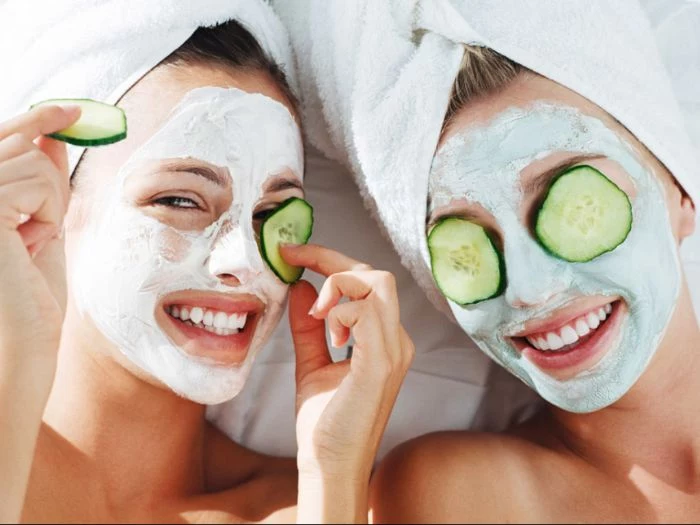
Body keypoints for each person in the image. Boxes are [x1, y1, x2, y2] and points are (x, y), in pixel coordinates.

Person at [266, 1, 700, 521]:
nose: (529, 291)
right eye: (469, 247)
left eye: (568, 203)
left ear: (679, 193)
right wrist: (331, 472)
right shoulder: (466, 495)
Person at [0, 7, 412, 523]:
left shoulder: (320, 502)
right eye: (179, 200)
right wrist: (17, 351)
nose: (243, 261)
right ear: (51, 206)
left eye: (268, 214)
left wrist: (333, 474)